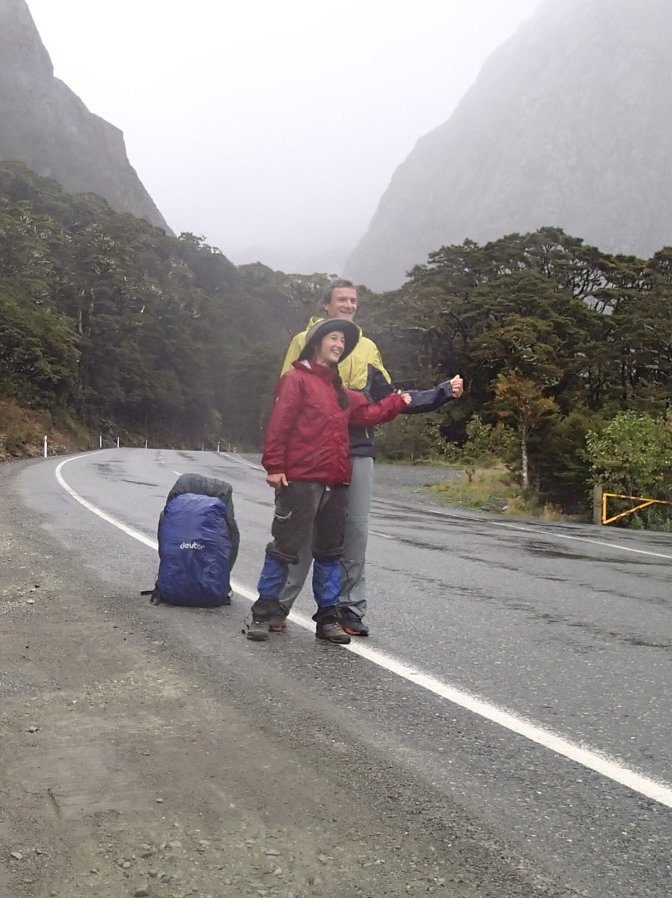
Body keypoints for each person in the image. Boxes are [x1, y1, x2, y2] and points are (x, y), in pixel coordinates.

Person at [274, 278, 464, 636]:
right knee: (299, 532)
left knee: (353, 533)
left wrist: (441, 393)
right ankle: (277, 606)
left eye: (353, 300)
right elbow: (285, 400)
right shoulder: (304, 341)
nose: (348, 305)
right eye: (341, 300)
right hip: (309, 453)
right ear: (327, 306)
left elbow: (389, 399)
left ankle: (347, 610)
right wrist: (278, 462)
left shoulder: (368, 348)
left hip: (356, 451)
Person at [245, 318, 411, 644]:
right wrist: (274, 466)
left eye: (342, 342)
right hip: (301, 481)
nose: (338, 345)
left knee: (329, 553)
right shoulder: (296, 380)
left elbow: (367, 414)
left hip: (336, 482)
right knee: (283, 548)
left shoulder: (338, 390)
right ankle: (263, 615)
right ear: (318, 342)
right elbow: (279, 424)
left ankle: (327, 620)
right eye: (333, 338)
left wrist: (398, 402)